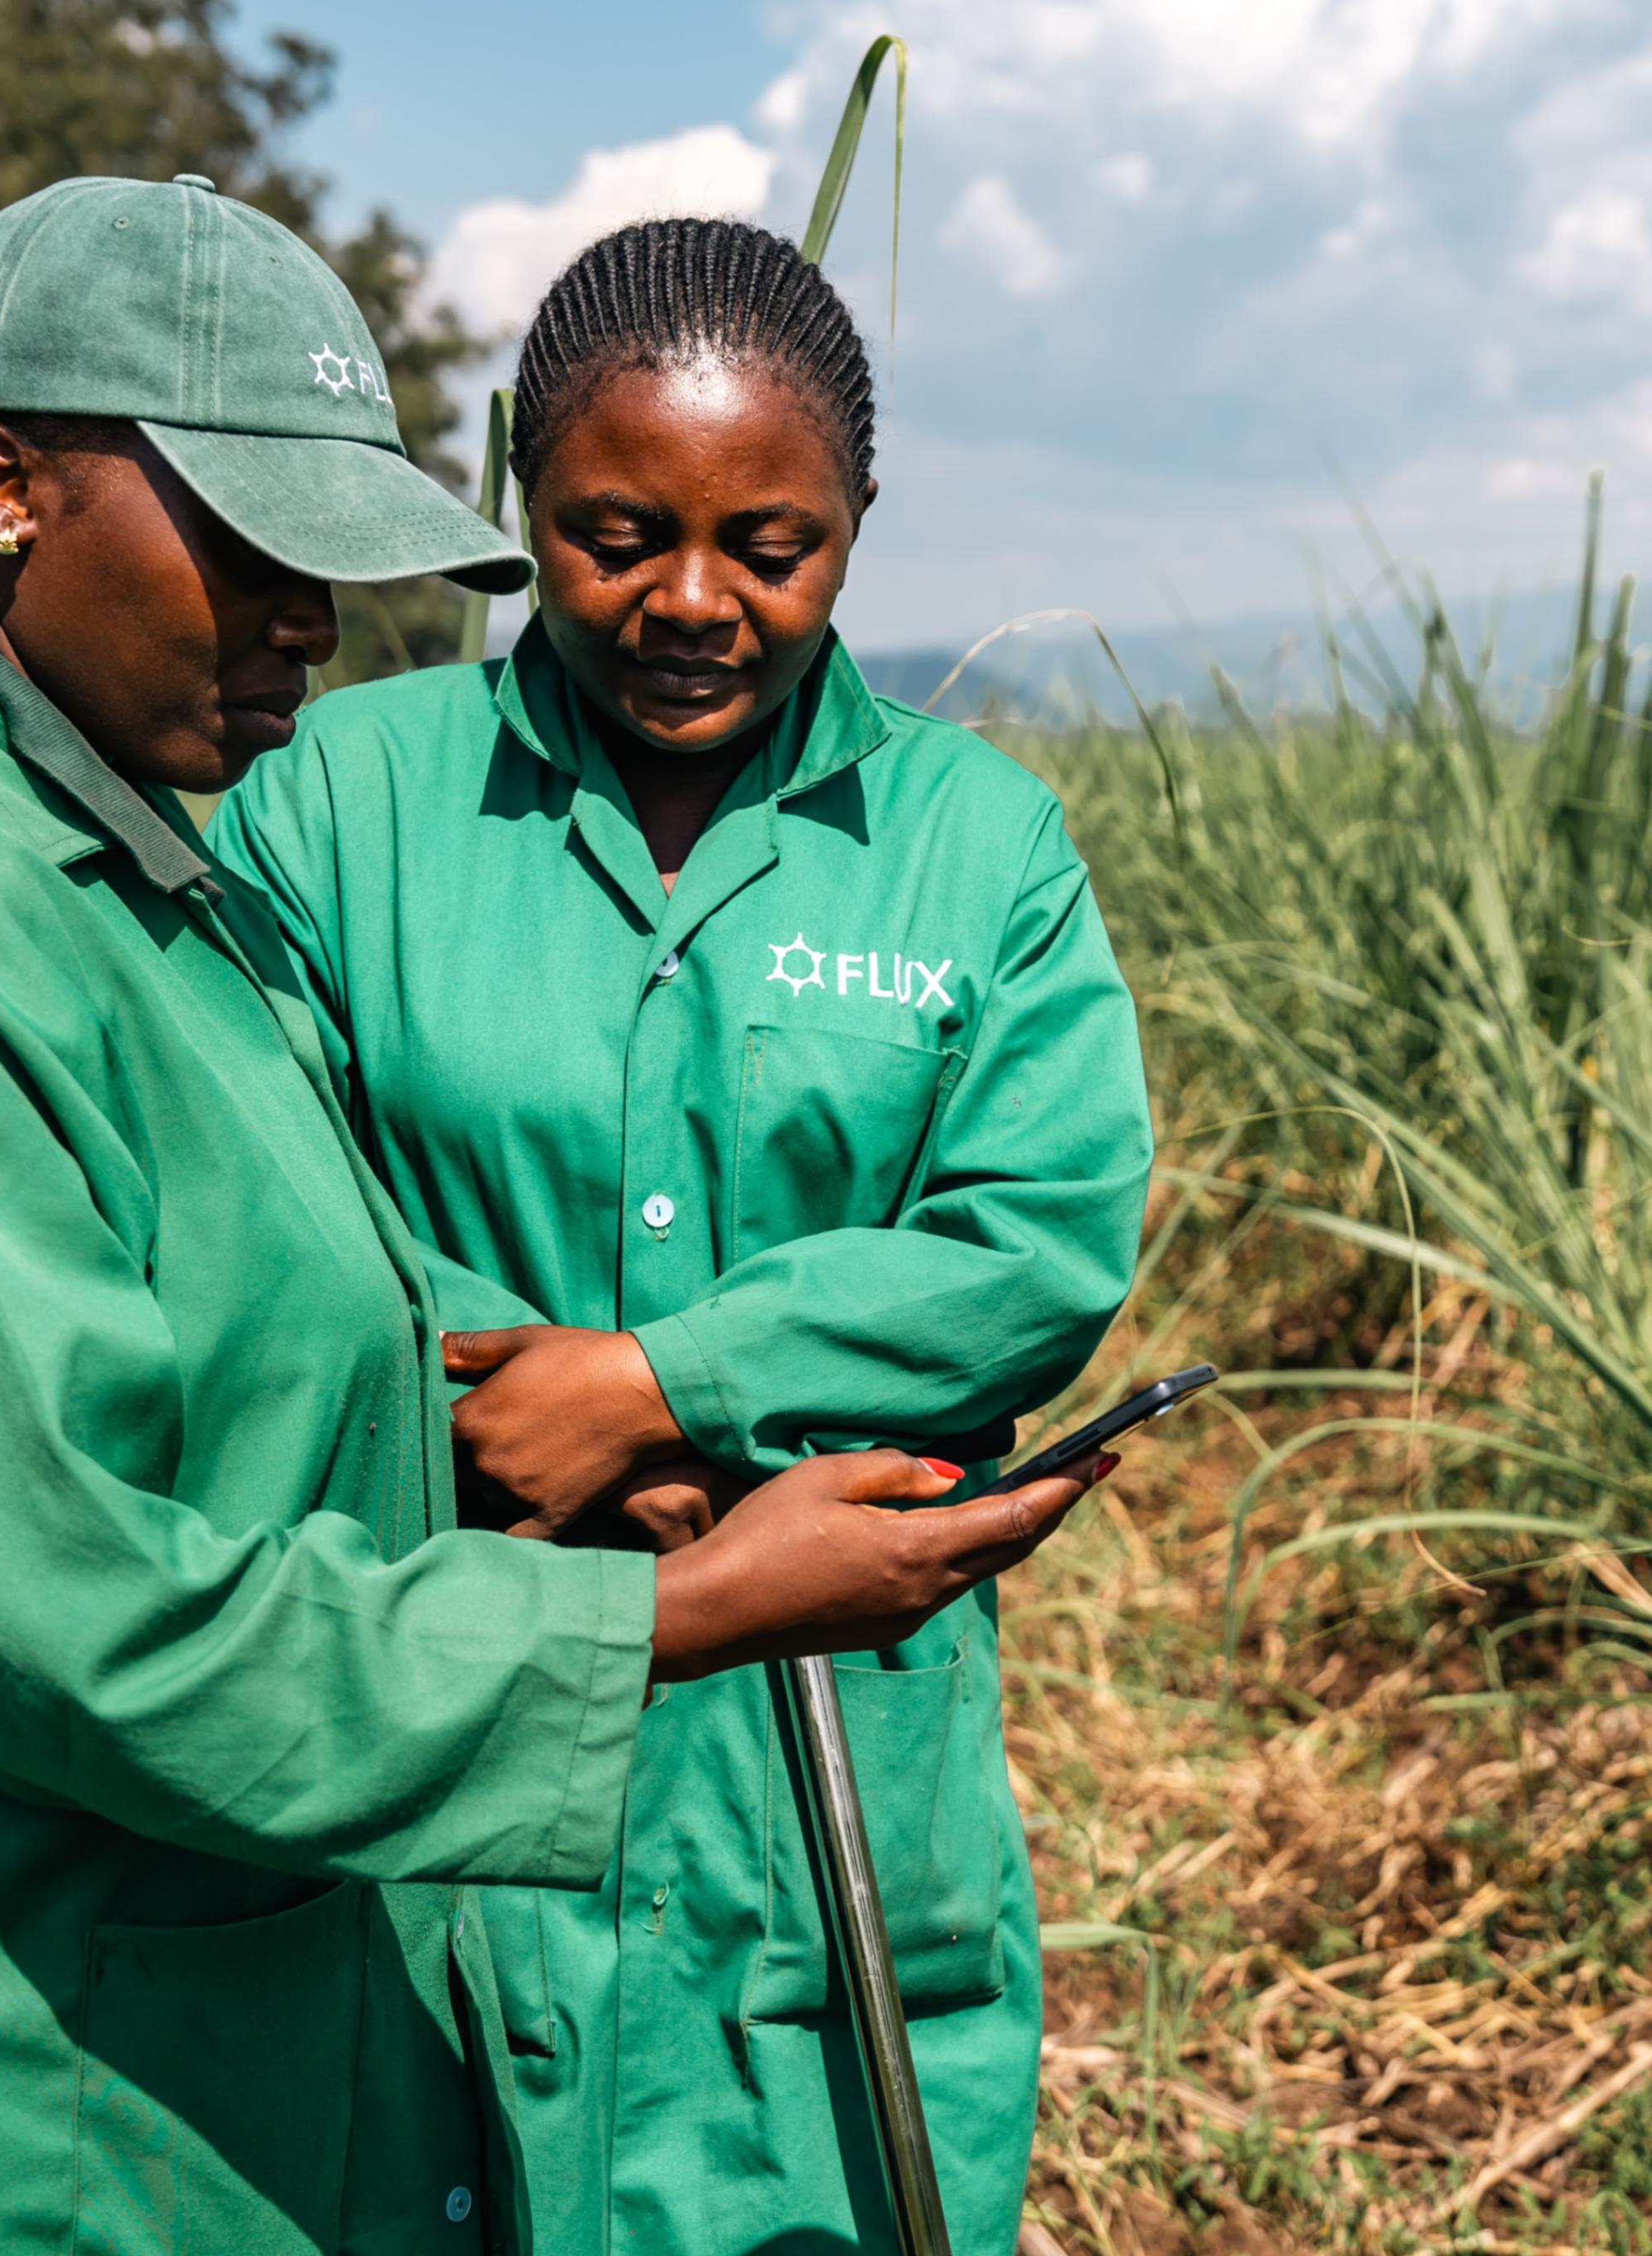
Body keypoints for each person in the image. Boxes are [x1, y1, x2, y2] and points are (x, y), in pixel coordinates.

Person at [0, 175, 1103, 2256]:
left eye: (337, 564)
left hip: (170, 1984)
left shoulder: (128, 886)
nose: (309, 620)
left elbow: (324, 1282)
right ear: (3, 483)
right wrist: (679, 1600)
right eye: (252, 554)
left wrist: (621, 1405)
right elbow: (74, 1615)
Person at [212, 217, 1154, 2253]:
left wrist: (652, 1388)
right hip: (448, 1668)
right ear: (514, 488)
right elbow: (267, 1185)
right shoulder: (329, 800)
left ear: (859, 523)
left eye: (777, 546)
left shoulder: (979, 848)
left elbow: (1040, 1243)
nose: (694, 603)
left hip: (826, 1720)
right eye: (616, 532)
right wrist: (490, 1403)